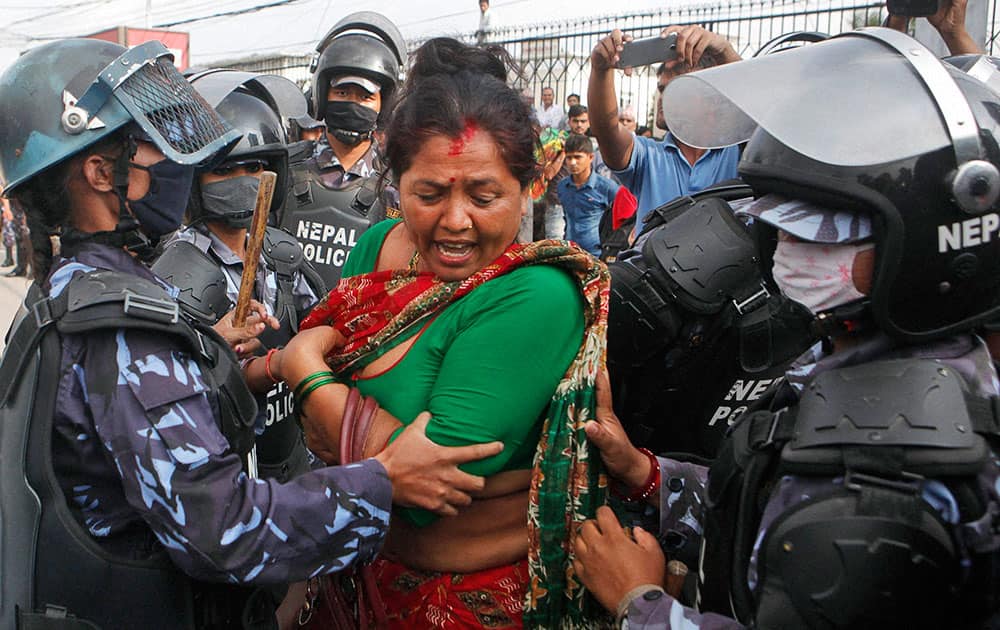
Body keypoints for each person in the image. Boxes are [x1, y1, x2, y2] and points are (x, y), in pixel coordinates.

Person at [0, 37, 504, 630]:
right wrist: (383, 482)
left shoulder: (67, 287)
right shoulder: (123, 327)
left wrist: (207, 355)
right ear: (97, 171)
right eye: (146, 150)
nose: (169, 168)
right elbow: (220, 528)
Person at [575, 29, 1000, 629]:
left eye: (821, 232)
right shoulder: (872, 363)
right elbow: (769, 480)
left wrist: (640, 604)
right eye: (780, 225)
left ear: (924, 244)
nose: (787, 250)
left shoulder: (885, 484)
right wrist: (648, 474)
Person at [293, 37, 614, 628]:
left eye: (484, 195)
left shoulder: (537, 296)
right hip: (350, 578)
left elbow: (429, 490)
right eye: (430, 194)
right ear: (398, 184)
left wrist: (306, 376)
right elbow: (357, 462)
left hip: (468, 600)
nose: (455, 220)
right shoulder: (376, 246)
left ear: (529, 187)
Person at [156, 69, 327, 484]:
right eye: (223, 171)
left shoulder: (282, 255)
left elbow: (321, 325)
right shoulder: (175, 274)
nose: (240, 182)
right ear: (194, 179)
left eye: (252, 167)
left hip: (293, 462)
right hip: (224, 479)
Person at [281, 11, 404, 288]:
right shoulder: (286, 168)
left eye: (365, 96)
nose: (353, 103)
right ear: (324, 95)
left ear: (382, 105)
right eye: (343, 93)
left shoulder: (396, 183)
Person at [589, 25, 742, 228]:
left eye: (676, 87)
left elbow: (756, 112)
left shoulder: (739, 153)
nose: (663, 97)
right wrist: (600, 69)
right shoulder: (649, 156)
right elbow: (606, 130)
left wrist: (724, 50)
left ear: (711, 95)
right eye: (662, 88)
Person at [558, 133, 620, 256]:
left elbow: (621, 222)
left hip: (597, 254)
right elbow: (567, 218)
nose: (573, 162)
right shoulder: (562, 187)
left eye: (578, 157)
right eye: (569, 158)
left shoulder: (607, 187)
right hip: (571, 252)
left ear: (591, 157)